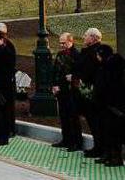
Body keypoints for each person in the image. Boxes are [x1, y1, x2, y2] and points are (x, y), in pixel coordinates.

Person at [93, 44, 125, 167]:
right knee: (107, 131)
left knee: (114, 132)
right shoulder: (106, 65)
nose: (97, 57)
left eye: (98, 55)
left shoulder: (112, 66)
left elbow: (109, 86)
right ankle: (109, 155)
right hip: (106, 105)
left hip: (113, 105)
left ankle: (116, 158)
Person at [75, 27, 104, 158]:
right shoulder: (89, 51)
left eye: (86, 35)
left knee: (96, 121)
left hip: (93, 92)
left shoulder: (96, 52)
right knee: (93, 121)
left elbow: (89, 70)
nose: (84, 37)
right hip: (89, 91)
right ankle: (98, 147)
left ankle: (100, 148)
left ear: (93, 38)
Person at [51, 32, 82, 151]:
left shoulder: (76, 55)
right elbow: (55, 71)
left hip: (71, 91)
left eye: (64, 43)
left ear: (70, 41)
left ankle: (76, 142)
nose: (61, 45)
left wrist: (73, 77)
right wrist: (54, 85)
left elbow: (79, 72)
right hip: (61, 90)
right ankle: (66, 139)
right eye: (60, 43)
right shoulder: (60, 54)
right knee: (63, 116)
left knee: (73, 117)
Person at [0, 22, 17, 136]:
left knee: (7, 107)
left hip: (6, 82)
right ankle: (0, 129)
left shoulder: (8, 45)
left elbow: (9, 65)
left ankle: (10, 129)